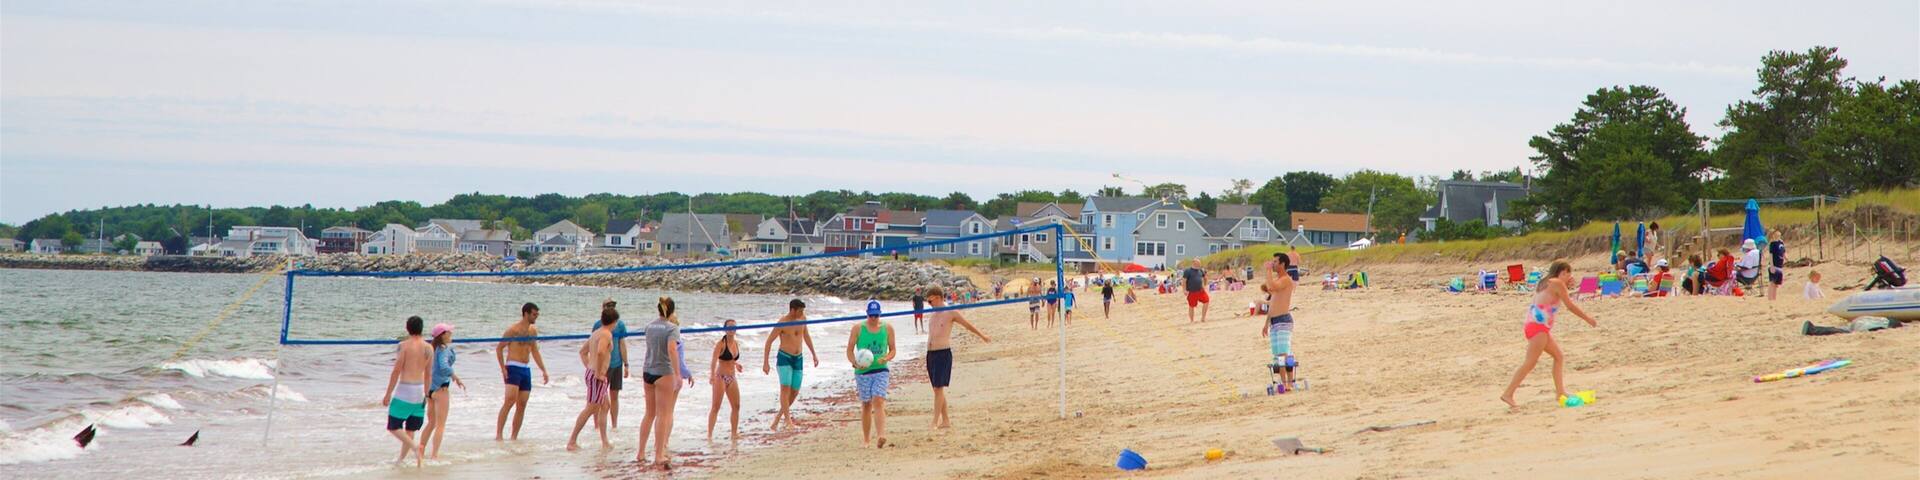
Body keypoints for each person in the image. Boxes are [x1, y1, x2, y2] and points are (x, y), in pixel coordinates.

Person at [1500, 260, 1598, 410]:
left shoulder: (1545, 282)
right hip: (1538, 328)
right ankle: (1508, 393)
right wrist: (1588, 319)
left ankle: (1560, 393)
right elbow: (1570, 306)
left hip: (1535, 325)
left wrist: (1569, 288)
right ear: (1563, 272)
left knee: (1558, 357)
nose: (1569, 277)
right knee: (1530, 362)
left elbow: (1555, 297)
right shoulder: (1558, 283)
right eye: (1568, 273)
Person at [920, 286, 989, 430]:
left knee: (939, 388)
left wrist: (982, 336)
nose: (929, 304)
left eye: (930, 301)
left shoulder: (950, 312)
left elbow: (967, 325)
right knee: (936, 389)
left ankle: (935, 421)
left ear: (938, 297)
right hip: (931, 354)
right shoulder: (933, 314)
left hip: (942, 353)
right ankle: (945, 420)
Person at [636, 297, 685, 470]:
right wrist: (678, 374)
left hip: (647, 370)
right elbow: (672, 350)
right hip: (663, 371)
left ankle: (641, 452)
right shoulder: (672, 328)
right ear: (671, 311)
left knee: (649, 414)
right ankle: (658, 455)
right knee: (663, 414)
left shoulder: (649, 326)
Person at [382, 316, 432, 468]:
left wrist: (388, 393)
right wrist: (427, 394)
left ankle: (415, 447)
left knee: (393, 426)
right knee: (410, 429)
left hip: (405, 389)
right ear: (421, 328)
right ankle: (401, 461)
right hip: (419, 391)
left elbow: (397, 370)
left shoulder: (403, 346)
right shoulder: (428, 347)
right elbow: (428, 373)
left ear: (407, 328)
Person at [494, 303, 549, 441]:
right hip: (513, 366)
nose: (536, 317)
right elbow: (499, 348)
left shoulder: (533, 331)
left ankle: (514, 437)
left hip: (525, 368)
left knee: (522, 404)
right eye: (534, 314)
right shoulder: (513, 330)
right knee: (509, 401)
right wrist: (503, 368)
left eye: (537, 314)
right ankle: (499, 435)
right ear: (526, 313)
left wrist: (543, 370)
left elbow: (535, 351)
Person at [762, 299, 818, 432]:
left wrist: (814, 354)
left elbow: (806, 336)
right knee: (785, 389)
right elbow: (769, 341)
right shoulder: (782, 322)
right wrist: (766, 362)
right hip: (784, 358)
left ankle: (777, 419)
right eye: (800, 310)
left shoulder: (803, 319)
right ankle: (788, 420)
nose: (802, 313)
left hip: (798, 358)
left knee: (795, 391)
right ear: (792, 310)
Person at [566, 304, 617, 451]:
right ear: (613, 321)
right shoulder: (606, 334)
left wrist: (590, 367)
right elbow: (601, 352)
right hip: (597, 375)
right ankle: (572, 440)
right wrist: (598, 372)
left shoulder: (596, 332)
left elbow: (583, 352)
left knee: (605, 406)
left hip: (593, 372)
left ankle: (604, 441)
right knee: (590, 408)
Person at [848, 300, 896, 448]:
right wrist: (854, 362)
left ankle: (881, 435)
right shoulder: (858, 328)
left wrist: (886, 358)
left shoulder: (887, 328)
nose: (873, 318)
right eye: (871, 316)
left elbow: (893, 349)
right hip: (862, 372)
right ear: (867, 314)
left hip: (881, 370)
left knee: (879, 400)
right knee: (866, 404)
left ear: (879, 314)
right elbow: (849, 350)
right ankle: (866, 439)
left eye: (876, 316)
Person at [418, 323, 465, 460]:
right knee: (440, 425)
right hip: (441, 390)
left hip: (431, 391)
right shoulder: (443, 350)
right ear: (443, 335)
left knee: (431, 423)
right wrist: (455, 377)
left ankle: (420, 451)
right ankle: (434, 455)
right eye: (449, 332)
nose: (451, 334)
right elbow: (444, 367)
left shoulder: (433, 349)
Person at [590, 299, 630, 430]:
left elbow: (622, 344)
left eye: (613, 306)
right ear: (603, 308)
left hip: (616, 364)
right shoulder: (598, 325)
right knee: (599, 398)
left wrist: (626, 364)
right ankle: (597, 425)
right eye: (609, 306)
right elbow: (594, 346)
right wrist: (594, 367)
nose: (611, 308)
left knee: (614, 396)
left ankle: (614, 425)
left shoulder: (620, 324)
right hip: (603, 366)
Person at [1260, 255, 1298, 392]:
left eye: (1275, 262)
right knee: (1277, 355)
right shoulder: (1277, 282)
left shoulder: (1286, 280)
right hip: (1275, 322)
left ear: (1282, 264)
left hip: (1284, 320)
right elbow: (1272, 303)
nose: (1273, 264)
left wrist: (1269, 270)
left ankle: (1289, 383)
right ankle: (1284, 383)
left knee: (1283, 354)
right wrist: (1266, 323)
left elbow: (1272, 285)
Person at [706, 319, 745, 448]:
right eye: (729, 327)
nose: (732, 329)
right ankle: (709, 435)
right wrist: (711, 375)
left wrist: (736, 364)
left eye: (734, 327)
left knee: (736, 406)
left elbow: (731, 359)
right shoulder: (721, 344)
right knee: (716, 407)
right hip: (720, 377)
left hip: (732, 376)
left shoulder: (736, 343)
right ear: (725, 329)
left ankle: (734, 433)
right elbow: (714, 360)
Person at [1767, 230, 1787, 301]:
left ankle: (1774, 298)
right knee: (1772, 282)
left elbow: (1783, 252)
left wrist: (1787, 259)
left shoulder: (1781, 242)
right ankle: (1770, 298)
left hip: (1779, 265)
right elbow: (1770, 255)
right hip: (1774, 265)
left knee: (1776, 284)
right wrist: (1771, 265)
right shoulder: (1772, 244)